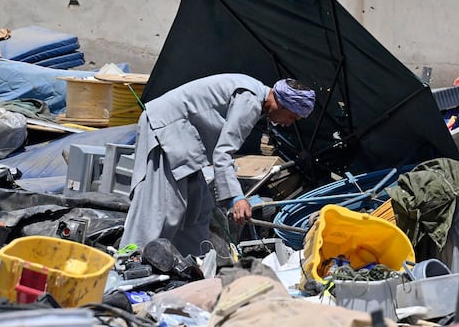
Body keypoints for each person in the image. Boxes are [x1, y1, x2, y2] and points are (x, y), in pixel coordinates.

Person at [120, 73, 315, 256]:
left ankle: (192, 264)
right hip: (166, 132)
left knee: (198, 208)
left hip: (184, 142)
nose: (288, 124)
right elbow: (223, 152)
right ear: (281, 103)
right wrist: (236, 198)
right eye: (291, 117)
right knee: (162, 208)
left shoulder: (254, 95)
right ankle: (131, 262)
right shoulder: (251, 101)